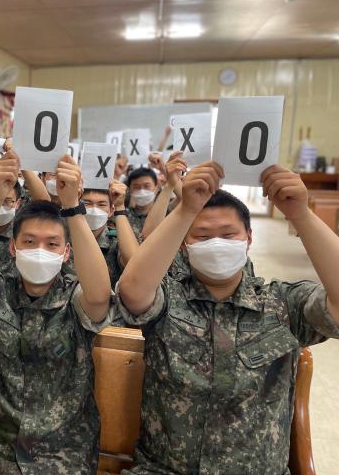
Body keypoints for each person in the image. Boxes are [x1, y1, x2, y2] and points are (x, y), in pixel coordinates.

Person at [116, 162, 339, 474]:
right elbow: (132, 290)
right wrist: (184, 211)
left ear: (248, 238)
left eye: (228, 234)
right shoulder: (169, 299)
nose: (216, 244)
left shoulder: (281, 304)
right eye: (203, 236)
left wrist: (300, 214)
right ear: (185, 245)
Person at [0, 150, 118, 474]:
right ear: (13, 248)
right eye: (29, 241)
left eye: (52, 244)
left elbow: (99, 294)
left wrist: (73, 208)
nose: (40, 251)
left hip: (63, 450)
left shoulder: (74, 294)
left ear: (66, 252)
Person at [82, 180, 139, 287]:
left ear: (111, 211)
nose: (94, 210)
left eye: (101, 205)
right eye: (87, 203)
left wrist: (120, 207)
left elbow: (135, 265)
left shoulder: (118, 241)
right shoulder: (63, 238)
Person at [126, 167, 160, 240]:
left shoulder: (166, 213)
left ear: (156, 188)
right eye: (136, 187)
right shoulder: (124, 216)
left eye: (147, 186)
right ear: (129, 190)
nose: (142, 190)